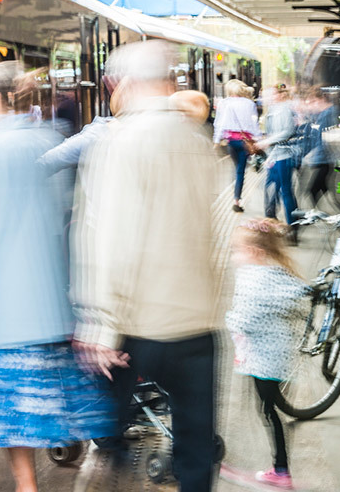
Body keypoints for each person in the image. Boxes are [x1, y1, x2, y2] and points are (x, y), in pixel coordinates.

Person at [0, 61, 115, 492]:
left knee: (12, 407)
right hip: (47, 294)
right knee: (49, 395)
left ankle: (26, 485)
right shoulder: (43, 137)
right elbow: (63, 211)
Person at [74, 40, 221, 492]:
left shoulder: (122, 141)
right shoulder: (196, 138)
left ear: (127, 84)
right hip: (198, 322)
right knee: (196, 444)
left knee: (105, 429)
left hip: (141, 325)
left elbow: (112, 239)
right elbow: (217, 228)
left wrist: (101, 327)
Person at [224, 218, 310, 490]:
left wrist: (226, 319)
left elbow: (245, 320)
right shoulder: (274, 272)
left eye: (238, 250)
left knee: (268, 411)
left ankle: (281, 470)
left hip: (266, 361)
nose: (235, 256)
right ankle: (280, 467)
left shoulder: (256, 280)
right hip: (274, 357)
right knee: (268, 409)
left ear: (255, 252)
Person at [213, 79, 262, 212]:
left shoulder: (224, 103)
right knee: (241, 170)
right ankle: (236, 200)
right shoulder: (249, 103)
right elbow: (253, 124)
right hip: (244, 141)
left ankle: (234, 195)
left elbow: (219, 123)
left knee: (236, 169)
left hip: (231, 141)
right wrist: (258, 139)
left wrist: (216, 140)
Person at [259, 84, 300, 242]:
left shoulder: (283, 109)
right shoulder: (275, 109)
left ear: (280, 95)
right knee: (274, 189)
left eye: (270, 94)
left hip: (283, 156)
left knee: (284, 191)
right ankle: (274, 223)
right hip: (275, 156)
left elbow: (287, 132)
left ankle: (291, 228)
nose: (266, 98)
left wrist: (267, 141)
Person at [301, 87, 338, 209]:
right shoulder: (322, 114)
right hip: (324, 160)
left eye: (312, 102)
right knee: (325, 192)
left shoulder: (328, 114)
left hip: (326, 160)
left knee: (314, 191)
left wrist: (312, 157)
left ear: (321, 99)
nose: (311, 106)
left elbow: (325, 141)